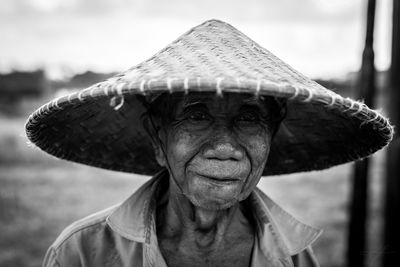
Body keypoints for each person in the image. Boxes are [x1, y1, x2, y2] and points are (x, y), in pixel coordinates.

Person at [26, 20, 393, 267]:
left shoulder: (294, 257)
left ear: (271, 135)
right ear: (158, 138)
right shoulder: (82, 253)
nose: (224, 146)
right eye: (197, 115)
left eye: (249, 118)